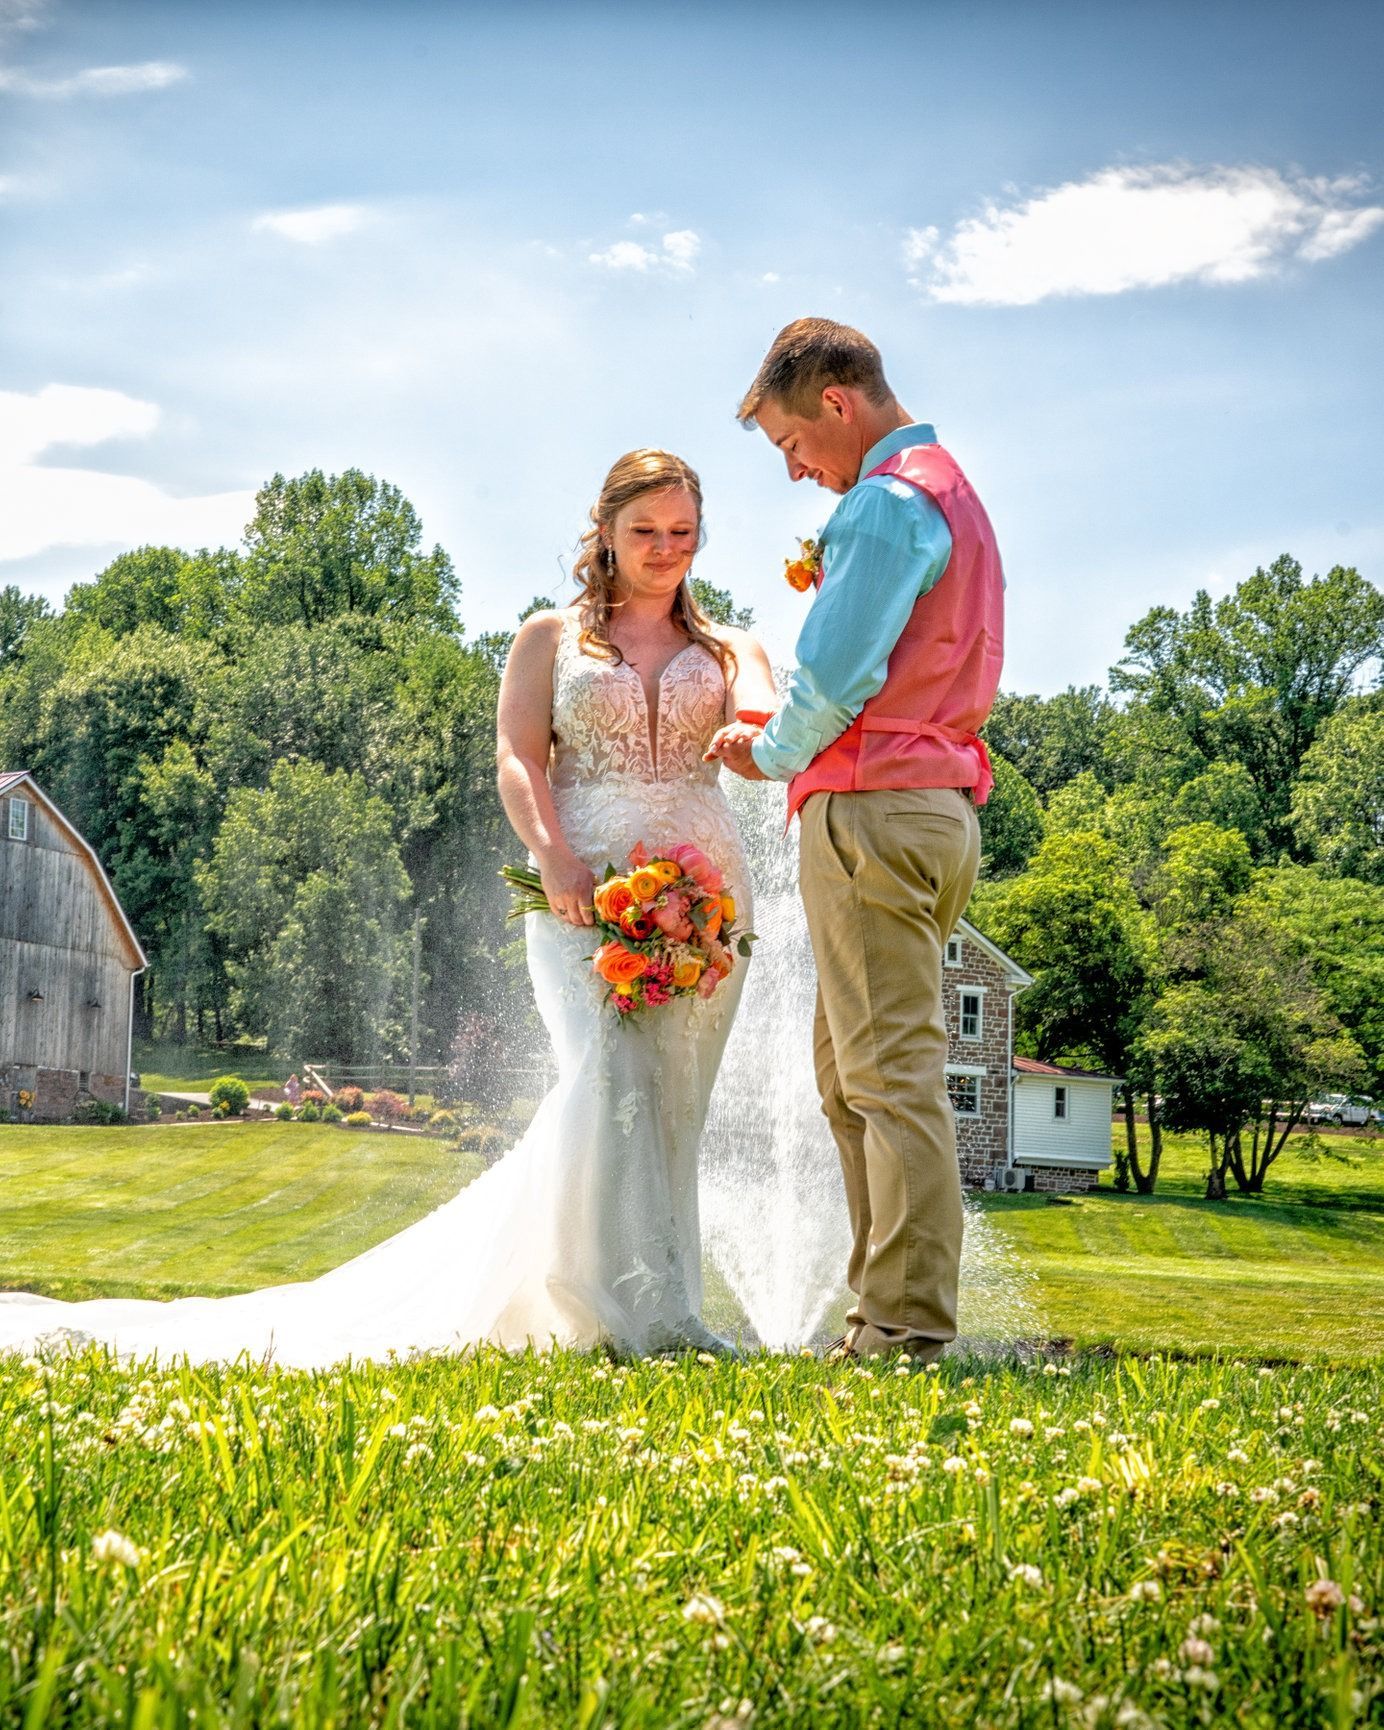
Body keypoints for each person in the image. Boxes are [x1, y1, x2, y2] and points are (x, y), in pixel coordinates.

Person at [0, 449, 776, 1367]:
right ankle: (603, 1310)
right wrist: (555, 859)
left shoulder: (732, 648)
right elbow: (518, 760)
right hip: (583, 894)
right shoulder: (548, 638)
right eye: (643, 530)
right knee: (606, 1081)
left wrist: (754, 729)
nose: (663, 549)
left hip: (707, 909)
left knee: (675, 1102)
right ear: (603, 531)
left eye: (681, 532)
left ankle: (666, 1306)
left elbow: (767, 714)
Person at [707, 317, 1004, 1364]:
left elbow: (832, 680)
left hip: (874, 808)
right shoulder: (948, 491)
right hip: (925, 803)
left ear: (837, 403)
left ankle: (908, 1329)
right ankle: (875, 1311)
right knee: (850, 1077)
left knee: (886, 1077)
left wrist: (768, 750)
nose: (797, 473)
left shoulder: (884, 502)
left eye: (793, 446)